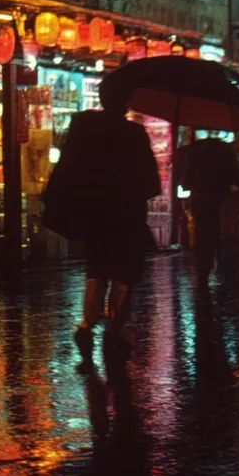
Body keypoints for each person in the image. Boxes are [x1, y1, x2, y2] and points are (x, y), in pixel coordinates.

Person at [42, 94, 161, 362]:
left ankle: (86, 325)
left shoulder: (86, 130)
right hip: (127, 214)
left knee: (97, 269)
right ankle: (114, 332)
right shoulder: (133, 134)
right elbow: (149, 181)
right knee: (124, 275)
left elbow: (70, 169)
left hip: (97, 214)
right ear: (126, 106)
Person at [176, 132, 239, 287]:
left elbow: (184, 175)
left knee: (202, 228)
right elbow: (234, 174)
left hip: (199, 194)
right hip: (218, 194)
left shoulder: (191, 151)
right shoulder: (224, 150)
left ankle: (203, 267)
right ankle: (217, 259)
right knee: (217, 226)